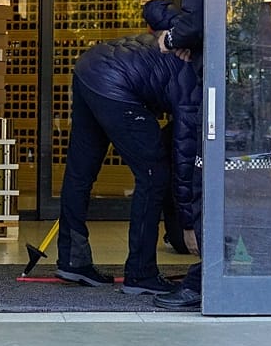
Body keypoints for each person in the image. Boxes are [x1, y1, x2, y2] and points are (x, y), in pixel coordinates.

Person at [55, 34, 201, 296]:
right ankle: (141, 273)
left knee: (80, 171)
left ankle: (72, 259)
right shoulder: (197, 87)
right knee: (154, 174)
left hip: (90, 65)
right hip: (116, 83)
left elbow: (156, 10)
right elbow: (184, 158)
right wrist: (188, 225)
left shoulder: (183, 43)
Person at [141, 0, 207, 309]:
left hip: (216, 90)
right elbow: (190, 19)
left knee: (201, 179)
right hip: (203, 83)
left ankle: (205, 280)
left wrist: (169, 36)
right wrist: (178, 27)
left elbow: (198, 20)